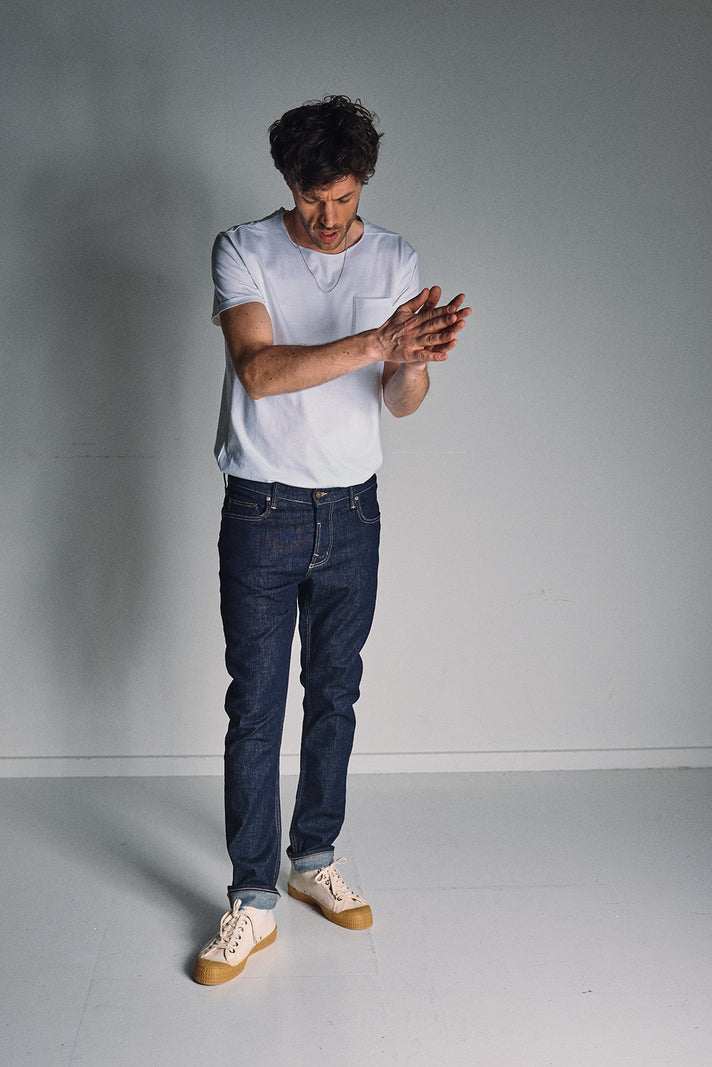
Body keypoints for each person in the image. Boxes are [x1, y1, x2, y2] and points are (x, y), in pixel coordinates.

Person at [193, 95, 470, 985]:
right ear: (288, 182)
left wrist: (411, 358)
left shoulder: (395, 257)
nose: (327, 218)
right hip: (263, 509)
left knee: (337, 694)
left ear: (363, 186)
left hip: (353, 511)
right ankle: (250, 897)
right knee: (256, 707)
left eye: (344, 199)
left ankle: (312, 858)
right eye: (313, 198)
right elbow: (260, 372)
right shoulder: (243, 248)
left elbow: (400, 403)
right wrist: (377, 337)